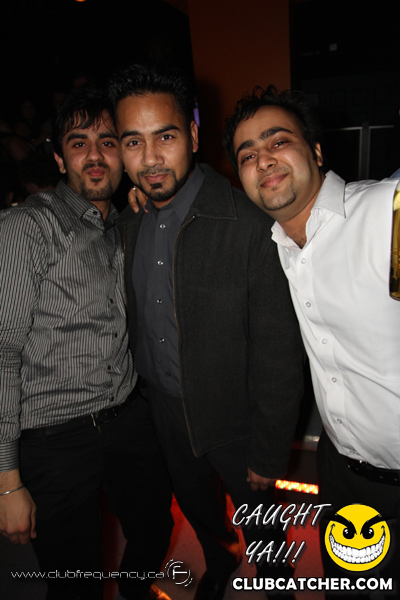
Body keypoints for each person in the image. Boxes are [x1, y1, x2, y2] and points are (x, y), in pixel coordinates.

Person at [107, 63, 304, 600]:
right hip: (164, 412)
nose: (150, 158)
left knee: (264, 528)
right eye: (133, 142)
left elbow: (279, 353)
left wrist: (269, 452)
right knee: (198, 509)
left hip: (237, 417)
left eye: (166, 137)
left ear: (193, 135)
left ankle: (277, 585)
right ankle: (220, 560)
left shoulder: (248, 223)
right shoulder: (127, 222)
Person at [223, 85, 400, 598]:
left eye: (278, 141)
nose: (263, 160)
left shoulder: (383, 214)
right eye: (247, 155)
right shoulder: (275, 245)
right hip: (343, 476)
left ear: (317, 151)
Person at [0, 84, 173, 600]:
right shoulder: (27, 227)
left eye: (107, 142)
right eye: (79, 143)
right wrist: (7, 481)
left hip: (127, 417)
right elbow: (2, 353)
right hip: (54, 438)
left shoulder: (123, 224)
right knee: (74, 579)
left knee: (155, 528)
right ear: (58, 158)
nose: (95, 155)